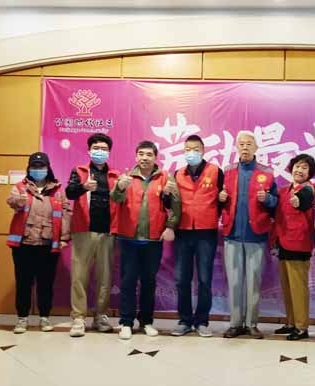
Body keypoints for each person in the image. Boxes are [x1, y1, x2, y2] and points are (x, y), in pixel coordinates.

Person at [111, 140, 181, 340]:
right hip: (128, 239)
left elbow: (176, 204)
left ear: (155, 157)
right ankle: (126, 322)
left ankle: (146, 321)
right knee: (128, 282)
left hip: (153, 240)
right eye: (141, 154)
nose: (144, 158)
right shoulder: (126, 177)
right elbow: (115, 199)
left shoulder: (165, 178)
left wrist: (170, 226)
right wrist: (119, 188)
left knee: (149, 283)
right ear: (136, 156)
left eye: (149, 154)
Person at [219, 131, 278, 339]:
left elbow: (276, 203)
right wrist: (220, 197)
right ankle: (235, 324)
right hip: (232, 234)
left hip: (256, 234)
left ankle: (252, 324)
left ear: (256, 148)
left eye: (249, 144)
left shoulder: (266, 172)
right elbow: (218, 200)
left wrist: (268, 199)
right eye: (241, 144)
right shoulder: (227, 171)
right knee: (234, 282)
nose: (245, 147)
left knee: (254, 282)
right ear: (236, 147)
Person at [6, 152, 71, 334]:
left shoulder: (58, 190)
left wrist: (64, 238)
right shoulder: (20, 187)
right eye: (34, 166)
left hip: (48, 244)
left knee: (46, 283)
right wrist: (19, 199)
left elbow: (66, 214)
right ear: (29, 168)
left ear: (48, 168)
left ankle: (44, 317)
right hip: (24, 245)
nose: (38, 170)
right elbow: (12, 202)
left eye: (41, 167)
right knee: (23, 282)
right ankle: (22, 318)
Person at [65, 133, 119, 337]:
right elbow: (69, 192)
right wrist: (83, 187)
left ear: (109, 152)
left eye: (104, 149)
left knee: (105, 277)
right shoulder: (79, 171)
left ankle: (100, 316)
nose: (100, 152)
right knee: (79, 275)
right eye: (96, 148)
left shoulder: (115, 175)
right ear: (89, 150)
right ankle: (78, 317)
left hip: (107, 232)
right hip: (83, 231)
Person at [171, 134, 224, 338]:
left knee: (204, 279)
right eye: (187, 149)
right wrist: (166, 195)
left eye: (195, 149)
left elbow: (224, 200)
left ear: (203, 151)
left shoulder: (216, 171)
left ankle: (202, 321)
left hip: (206, 233)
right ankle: (184, 320)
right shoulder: (178, 173)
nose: (191, 153)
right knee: (181, 279)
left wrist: (219, 204)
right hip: (183, 232)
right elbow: (171, 203)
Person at [272, 154, 315, 341]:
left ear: (310, 173)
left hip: (299, 244)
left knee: (298, 288)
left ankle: (301, 326)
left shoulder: (308, 188)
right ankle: (290, 322)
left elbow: (304, 199)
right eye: (298, 166)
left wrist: (298, 201)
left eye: (305, 168)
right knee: (287, 287)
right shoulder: (284, 190)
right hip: (283, 242)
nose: (300, 170)